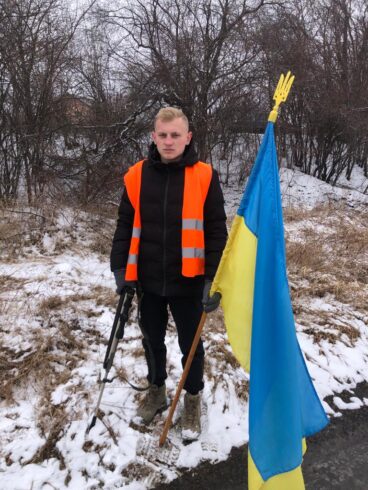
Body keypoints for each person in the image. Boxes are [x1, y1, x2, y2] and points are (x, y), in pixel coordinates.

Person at [110, 107, 227, 440]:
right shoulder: (136, 176)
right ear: (153, 137)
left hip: (189, 281)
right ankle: (157, 391)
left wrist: (212, 279)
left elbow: (217, 230)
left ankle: (192, 400)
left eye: (175, 135)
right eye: (162, 135)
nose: (169, 141)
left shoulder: (205, 176)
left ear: (188, 137)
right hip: (147, 278)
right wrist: (120, 269)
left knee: (191, 344)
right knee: (151, 340)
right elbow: (124, 225)